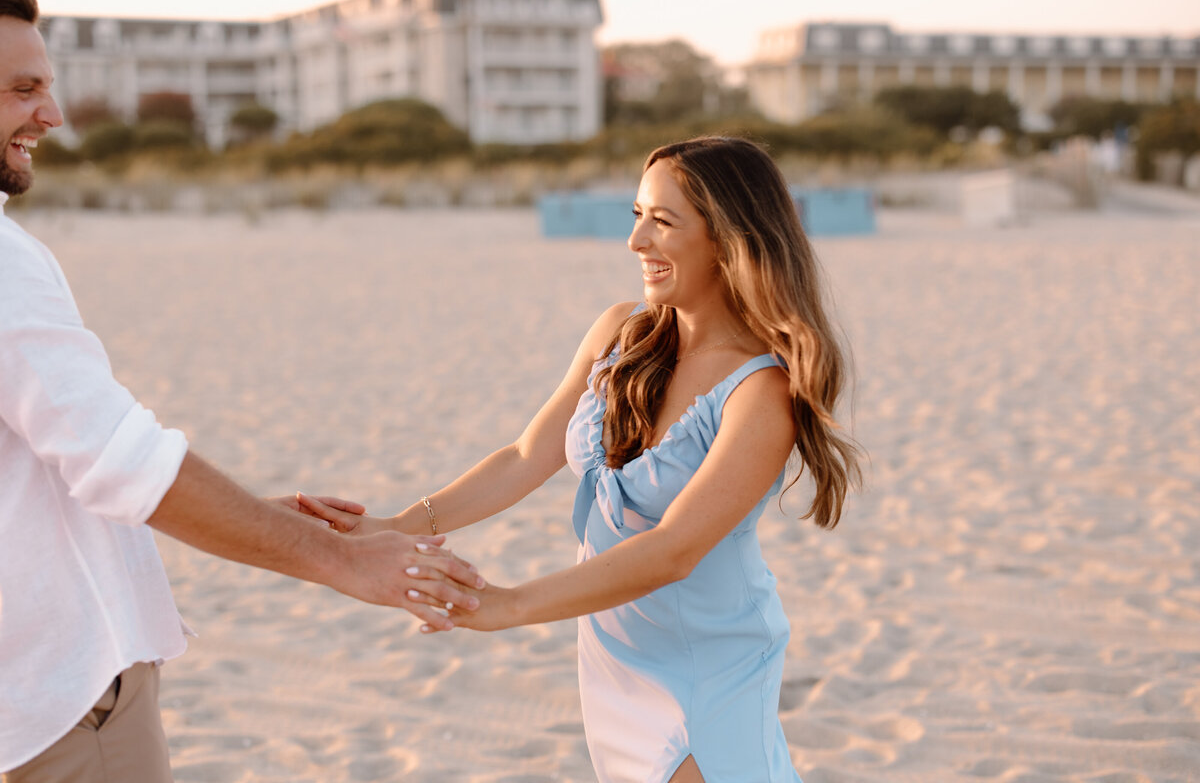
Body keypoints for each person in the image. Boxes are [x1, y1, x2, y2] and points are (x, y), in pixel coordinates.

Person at [0, 0, 485, 780]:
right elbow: (119, 464)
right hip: (57, 704)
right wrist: (342, 563)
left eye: (46, 85)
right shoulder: (3, 263)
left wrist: (257, 517)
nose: (52, 116)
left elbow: (56, 460)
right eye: (23, 90)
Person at [307, 135, 862, 781]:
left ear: (727, 238)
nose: (637, 243)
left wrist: (506, 605)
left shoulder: (761, 391)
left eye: (662, 221)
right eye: (636, 216)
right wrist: (397, 528)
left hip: (705, 669)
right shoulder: (622, 332)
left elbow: (675, 549)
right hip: (617, 666)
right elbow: (523, 457)